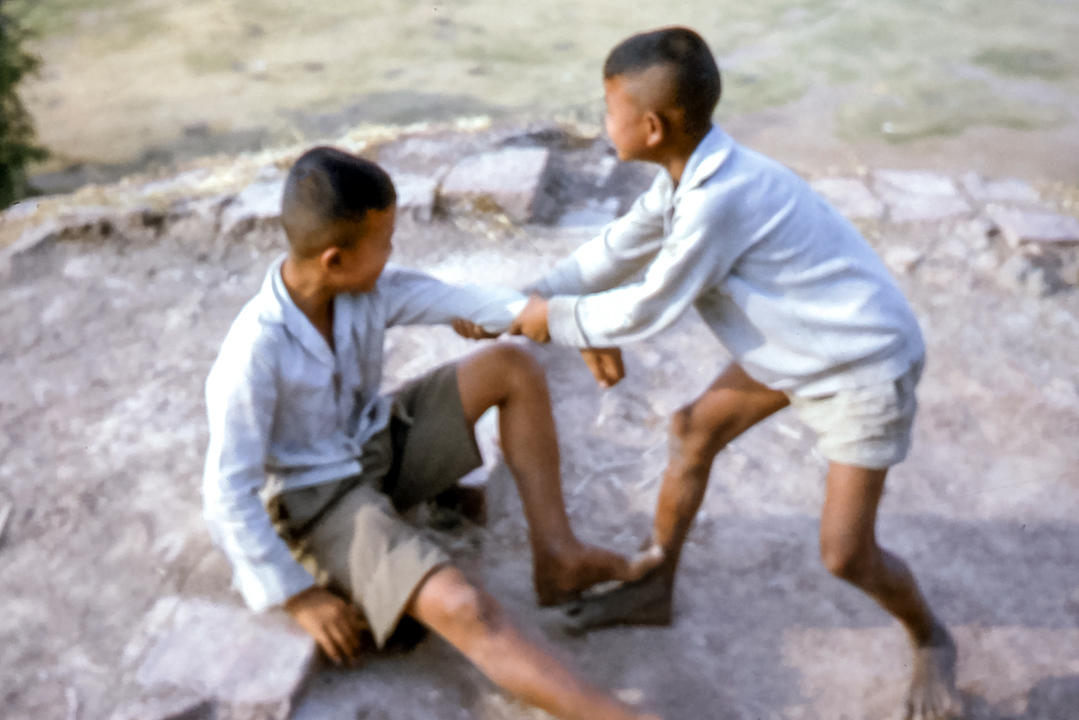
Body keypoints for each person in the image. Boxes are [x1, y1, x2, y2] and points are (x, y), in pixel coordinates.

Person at [494, 26, 962, 720]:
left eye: (606, 108)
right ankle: (655, 581)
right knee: (692, 430)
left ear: (650, 127)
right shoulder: (689, 175)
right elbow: (613, 251)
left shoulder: (716, 201)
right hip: (800, 338)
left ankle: (931, 638)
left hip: (858, 359)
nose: (601, 122)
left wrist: (552, 321)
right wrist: (532, 297)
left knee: (844, 553)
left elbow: (648, 306)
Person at [202, 146, 660, 720]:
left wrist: (571, 322)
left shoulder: (363, 289)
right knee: (466, 607)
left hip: (371, 445)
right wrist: (298, 596)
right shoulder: (254, 351)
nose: (394, 253)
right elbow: (225, 493)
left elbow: (463, 300)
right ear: (335, 260)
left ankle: (558, 555)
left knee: (511, 367)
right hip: (319, 502)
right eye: (386, 241)